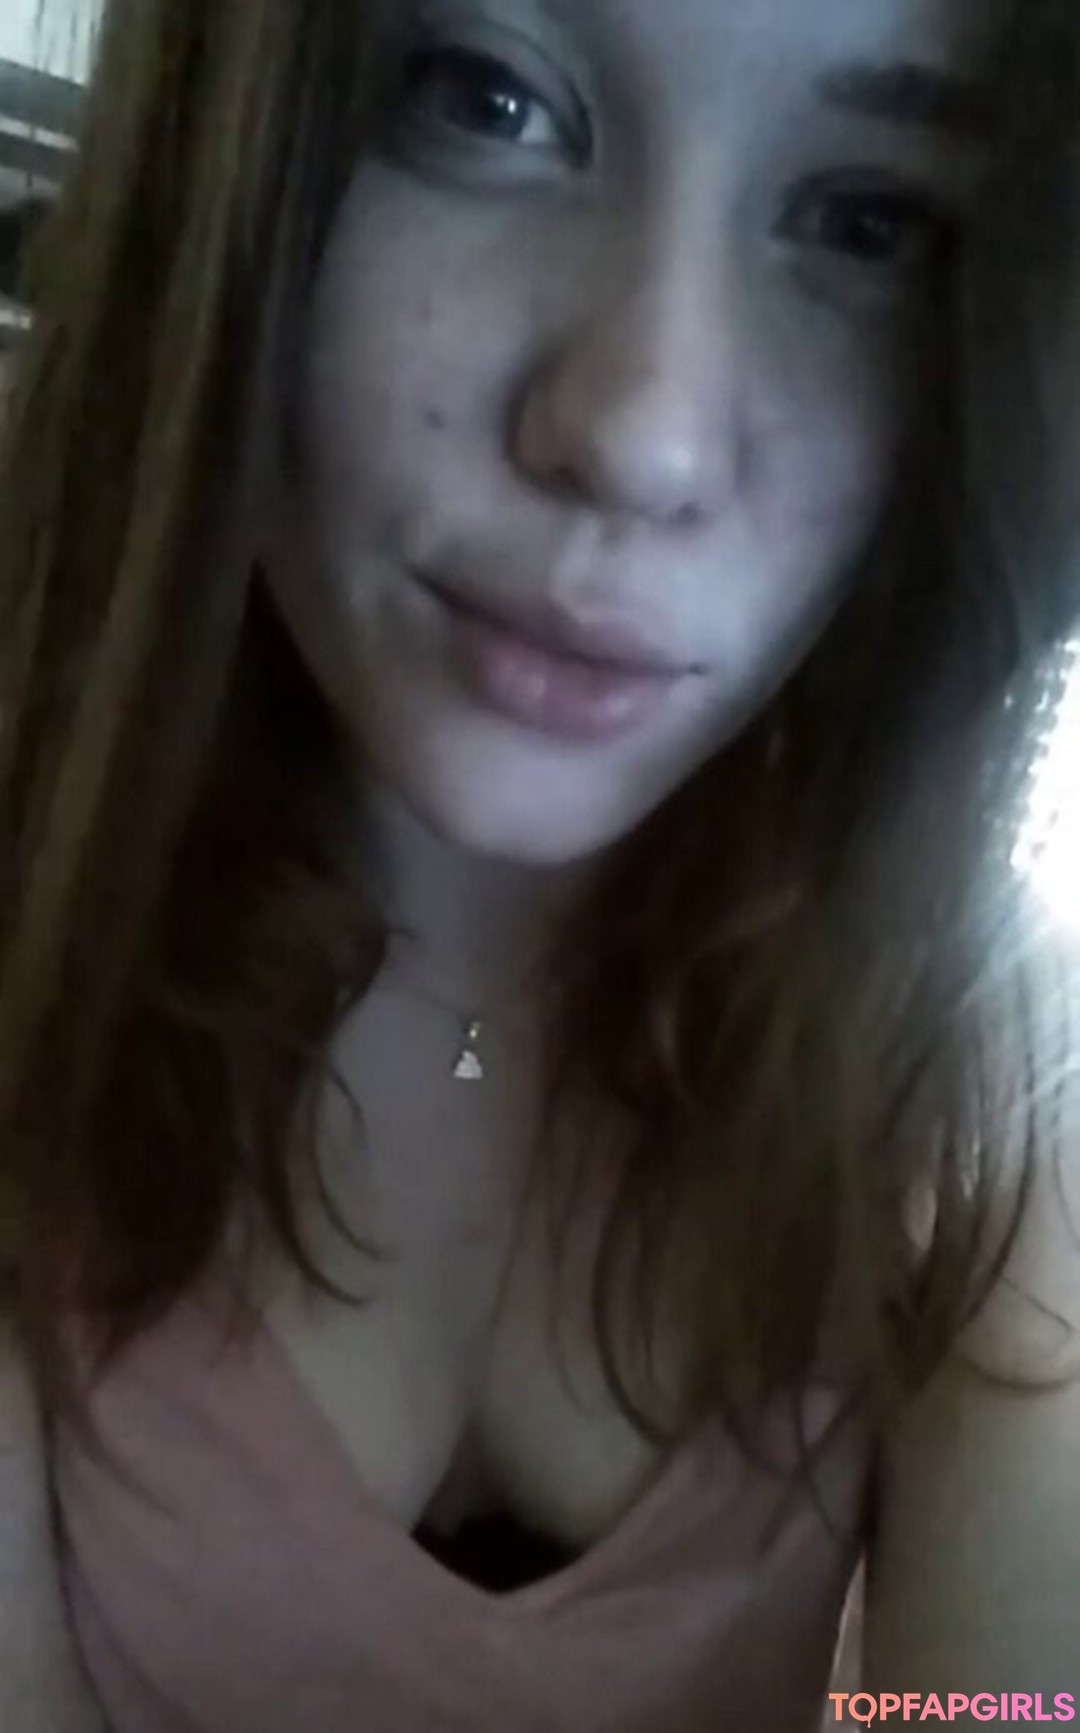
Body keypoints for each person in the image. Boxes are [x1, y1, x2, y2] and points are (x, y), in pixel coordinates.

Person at [0, 0, 1078, 1728]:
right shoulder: (37, 923)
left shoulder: (987, 1064)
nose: (644, 436)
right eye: (483, 97)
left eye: (868, 219)